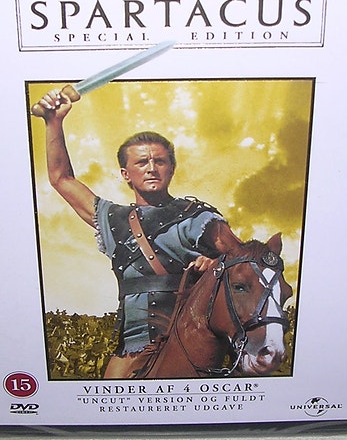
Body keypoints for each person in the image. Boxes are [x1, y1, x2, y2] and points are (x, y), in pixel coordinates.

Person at [36, 88, 239, 378]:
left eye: (160, 161)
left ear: (172, 169)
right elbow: (61, 178)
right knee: (110, 397)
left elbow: (249, 262)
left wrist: (216, 264)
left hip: (193, 346)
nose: (152, 168)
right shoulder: (113, 220)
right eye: (142, 162)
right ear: (125, 174)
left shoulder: (198, 218)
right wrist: (53, 122)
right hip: (131, 348)